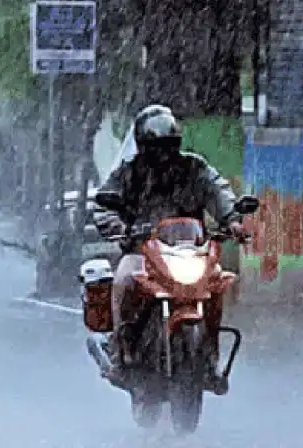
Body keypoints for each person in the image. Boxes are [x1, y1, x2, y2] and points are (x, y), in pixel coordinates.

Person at [93, 105, 245, 392]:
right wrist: (119, 227)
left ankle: (210, 354)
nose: (162, 154)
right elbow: (104, 204)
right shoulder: (129, 173)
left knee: (215, 283)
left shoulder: (194, 168)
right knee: (124, 279)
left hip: (190, 250)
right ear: (142, 146)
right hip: (141, 251)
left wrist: (232, 221)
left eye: (168, 146)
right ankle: (120, 350)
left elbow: (218, 190)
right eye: (155, 147)